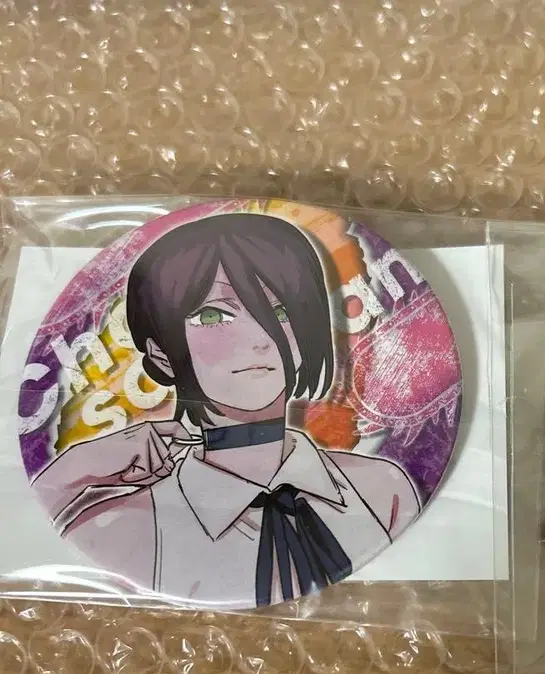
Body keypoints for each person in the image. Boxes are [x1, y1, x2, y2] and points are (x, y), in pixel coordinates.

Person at [32, 213, 420, 607]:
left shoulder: (382, 490)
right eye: (212, 315)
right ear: (161, 353)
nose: (259, 337)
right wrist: (78, 467)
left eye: (281, 312)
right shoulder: (126, 527)